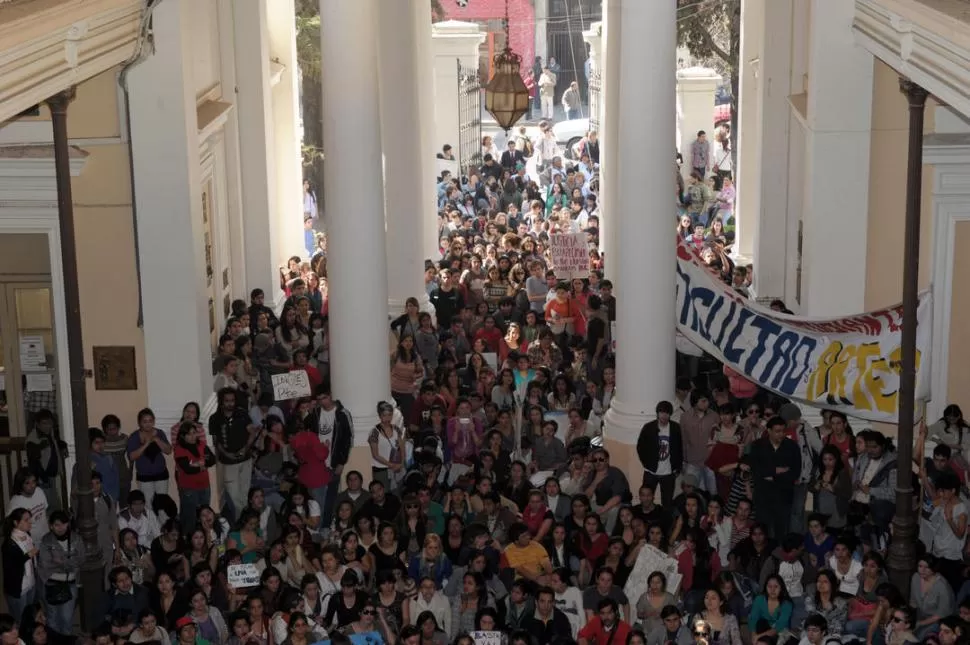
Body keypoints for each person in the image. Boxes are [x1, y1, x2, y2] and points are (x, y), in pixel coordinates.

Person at [749, 417, 801, 539]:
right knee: (762, 531)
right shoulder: (758, 445)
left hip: (783, 496)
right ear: (769, 431)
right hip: (763, 496)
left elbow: (795, 472)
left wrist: (773, 477)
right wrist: (776, 470)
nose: (781, 434)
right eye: (777, 431)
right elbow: (755, 469)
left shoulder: (792, 447)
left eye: (783, 431)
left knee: (781, 532)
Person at [636, 401, 683, 504]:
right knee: (646, 500)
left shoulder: (675, 428)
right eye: (661, 412)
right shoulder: (649, 428)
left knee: (667, 502)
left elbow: (680, 448)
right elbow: (640, 447)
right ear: (657, 413)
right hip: (651, 472)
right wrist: (646, 464)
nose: (664, 416)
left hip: (669, 473)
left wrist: (677, 467)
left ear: (670, 414)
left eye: (666, 413)